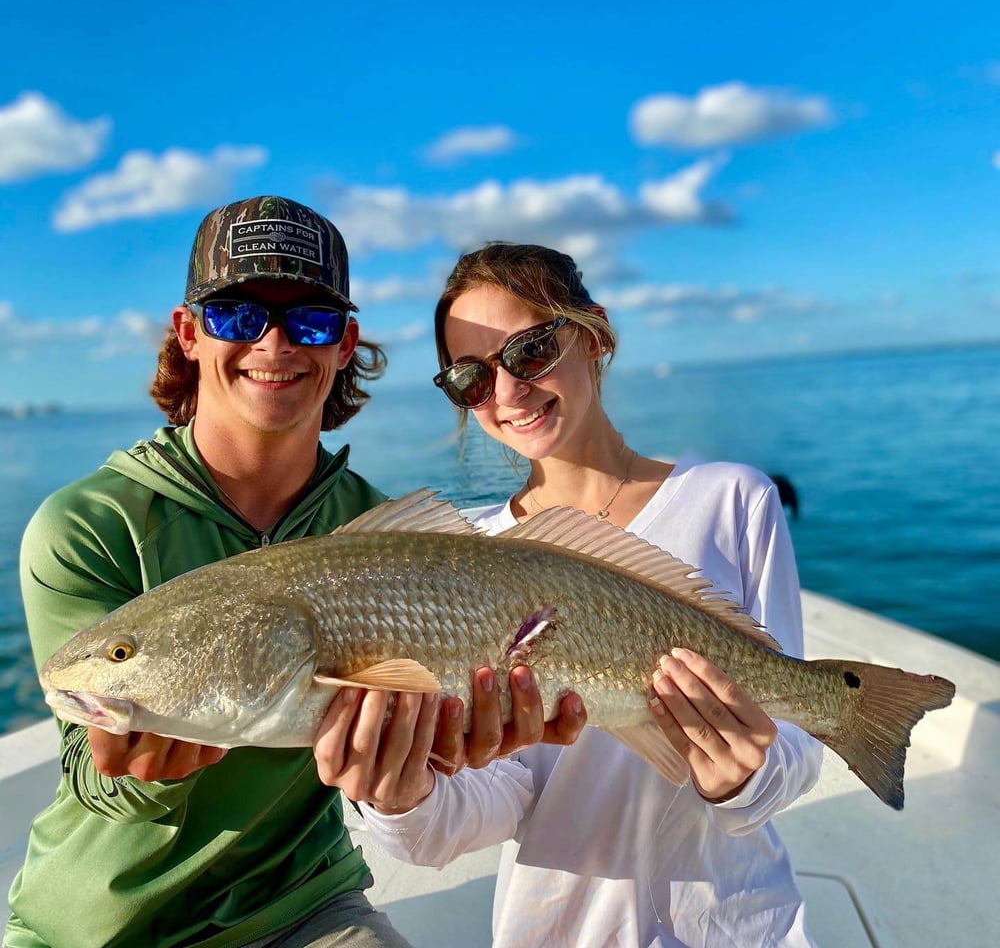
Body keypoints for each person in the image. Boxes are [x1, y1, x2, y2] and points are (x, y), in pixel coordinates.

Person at [5, 198, 583, 948]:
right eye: (238, 316)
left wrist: (441, 756)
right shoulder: (88, 524)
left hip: (306, 904)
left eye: (309, 320)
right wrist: (142, 774)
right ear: (188, 334)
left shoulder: (380, 530)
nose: (274, 343)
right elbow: (92, 768)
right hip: (95, 929)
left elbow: (416, 751)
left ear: (344, 343)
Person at [348, 242, 825, 947]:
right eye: (470, 377)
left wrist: (743, 781)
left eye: (530, 351)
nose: (506, 392)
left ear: (595, 334)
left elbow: (798, 736)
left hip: (742, 926)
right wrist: (400, 797)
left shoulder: (733, 499)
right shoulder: (469, 559)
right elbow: (502, 796)